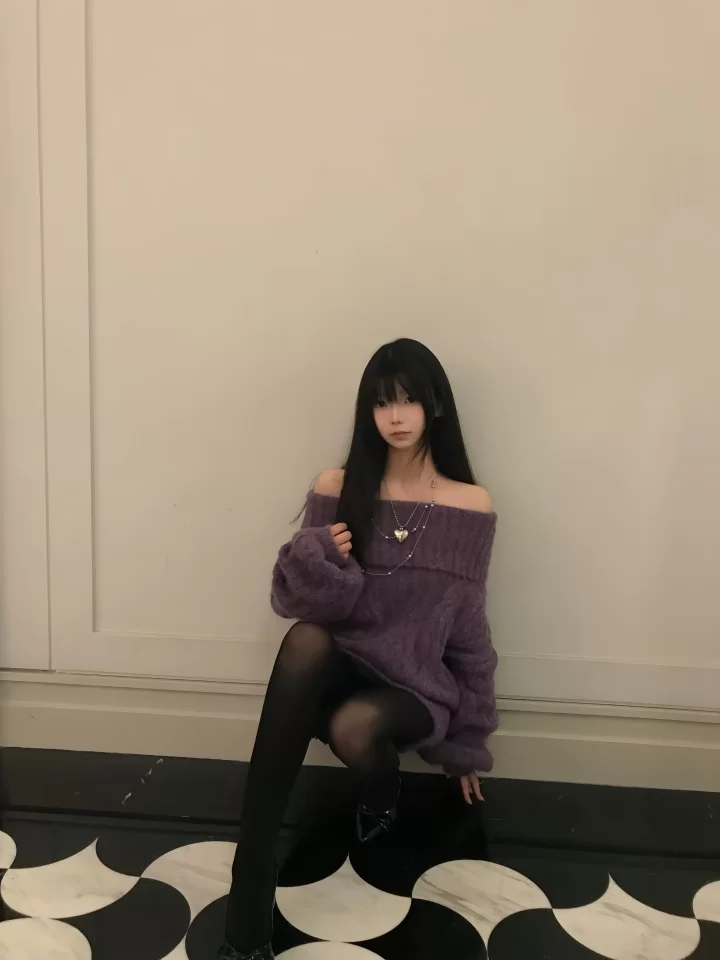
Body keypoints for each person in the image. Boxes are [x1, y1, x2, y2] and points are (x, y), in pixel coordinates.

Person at [220, 338, 498, 959]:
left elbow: (470, 633)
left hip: (414, 687)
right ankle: (251, 872)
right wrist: (316, 556)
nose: (395, 417)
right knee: (304, 640)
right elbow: (300, 604)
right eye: (381, 403)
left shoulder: (469, 505)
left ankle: (383, 786)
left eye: (409, 400)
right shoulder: (338, 487)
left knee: (354, 726)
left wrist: (466, 744)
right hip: (341, 665)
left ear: (436, 407)